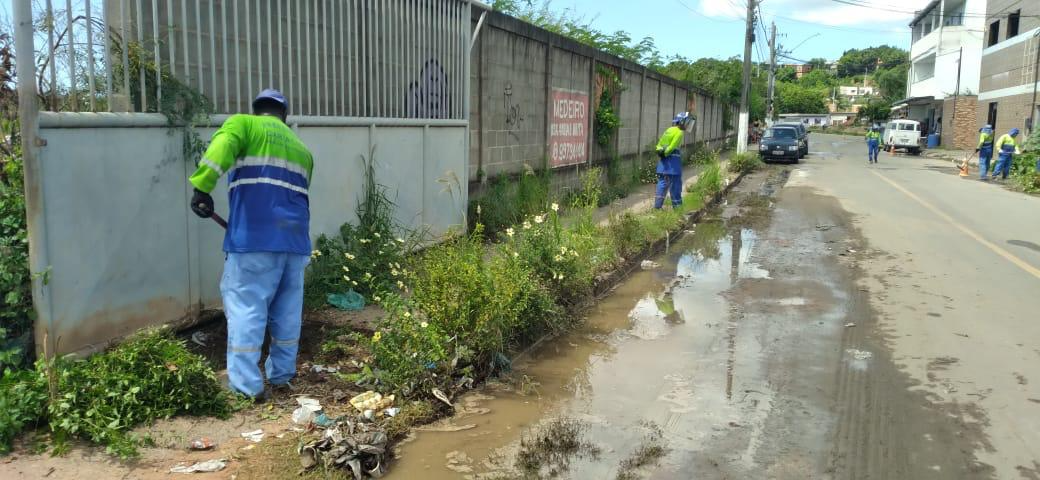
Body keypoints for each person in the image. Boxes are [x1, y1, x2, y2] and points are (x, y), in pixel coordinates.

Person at [188, 89, 315, 401]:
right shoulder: (302, 149)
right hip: (295, 243)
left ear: (258, 109)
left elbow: (222, 147)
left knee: (247, 308)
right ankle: (282, 376)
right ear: (284, 115)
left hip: (254, 241)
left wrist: (202, 187)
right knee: (287, 313)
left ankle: (247, 387)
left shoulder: (243, 124)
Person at [654, 112, 691, 209]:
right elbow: (672, 146)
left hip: (663, 164)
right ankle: (677, 208)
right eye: (687, 122)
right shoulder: (679, 132)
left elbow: (659, 144)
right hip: (673, 165)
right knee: (675, 186)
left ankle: (657, 208)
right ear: (682, 122)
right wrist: (666, 152)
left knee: (662, 184)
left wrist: (661, 152)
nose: (688, 125)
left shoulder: (669, 129)